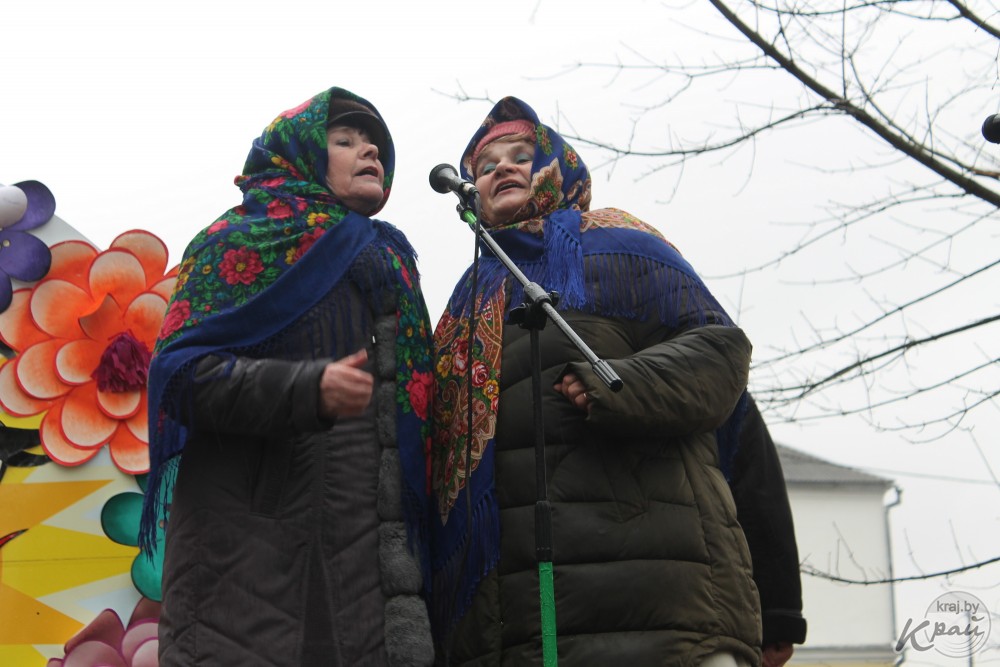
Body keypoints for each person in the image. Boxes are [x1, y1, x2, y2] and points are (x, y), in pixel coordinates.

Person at [428, 97, 761, 666]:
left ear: (556, 166)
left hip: (660, 598)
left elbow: (720, 353)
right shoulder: (467, 303)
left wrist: (620, 384)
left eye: (521, 156)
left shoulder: (622, 246)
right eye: (484, 167)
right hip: (524, 621)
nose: (501, 168)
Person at [142, 87, 435, 666]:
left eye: (375, 146)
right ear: (298, 155)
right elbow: (179, 376)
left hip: (368, 579)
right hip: (245, 571)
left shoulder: (390, 261)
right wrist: (306, 389)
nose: (370, 152)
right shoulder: (237, 240)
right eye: (344, 140)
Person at [731, 396, 808, 667]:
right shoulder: (719, 390)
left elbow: (759, 503)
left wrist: (777, 622)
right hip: (702, 618)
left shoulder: (725, 397)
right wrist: (778, 623)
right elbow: (760, 503)